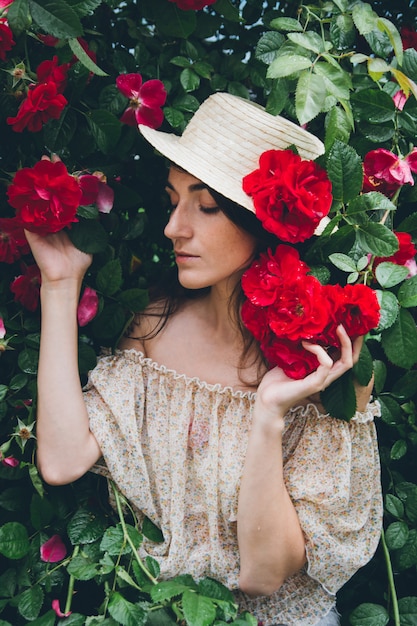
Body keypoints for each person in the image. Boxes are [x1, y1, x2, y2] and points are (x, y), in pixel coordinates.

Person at [26, 92, 382, 626]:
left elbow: (264, 576)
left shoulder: (328, 366)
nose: (174, 227)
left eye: (206, 205)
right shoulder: (153, 327)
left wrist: (268, 417)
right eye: (173, 201)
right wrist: (60, 284)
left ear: (263, 222)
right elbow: (60, 460)